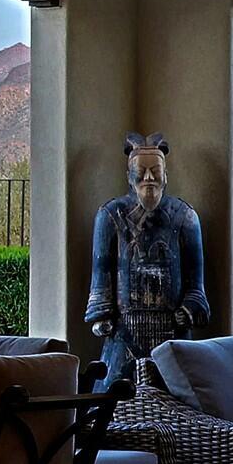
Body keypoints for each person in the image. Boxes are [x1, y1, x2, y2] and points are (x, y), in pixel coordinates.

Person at [85, 133, 209, 390]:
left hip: (173, 330)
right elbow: (101, 272)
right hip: (124, 330)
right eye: (141, 171)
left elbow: (196, 282)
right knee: (111, 399)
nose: (149, 178)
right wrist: (101, 315)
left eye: (156, 171)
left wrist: (188, 309)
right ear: (129, 177)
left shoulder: (184, 216)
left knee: (179, 400)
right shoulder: (110, 215)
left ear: (166, 176)